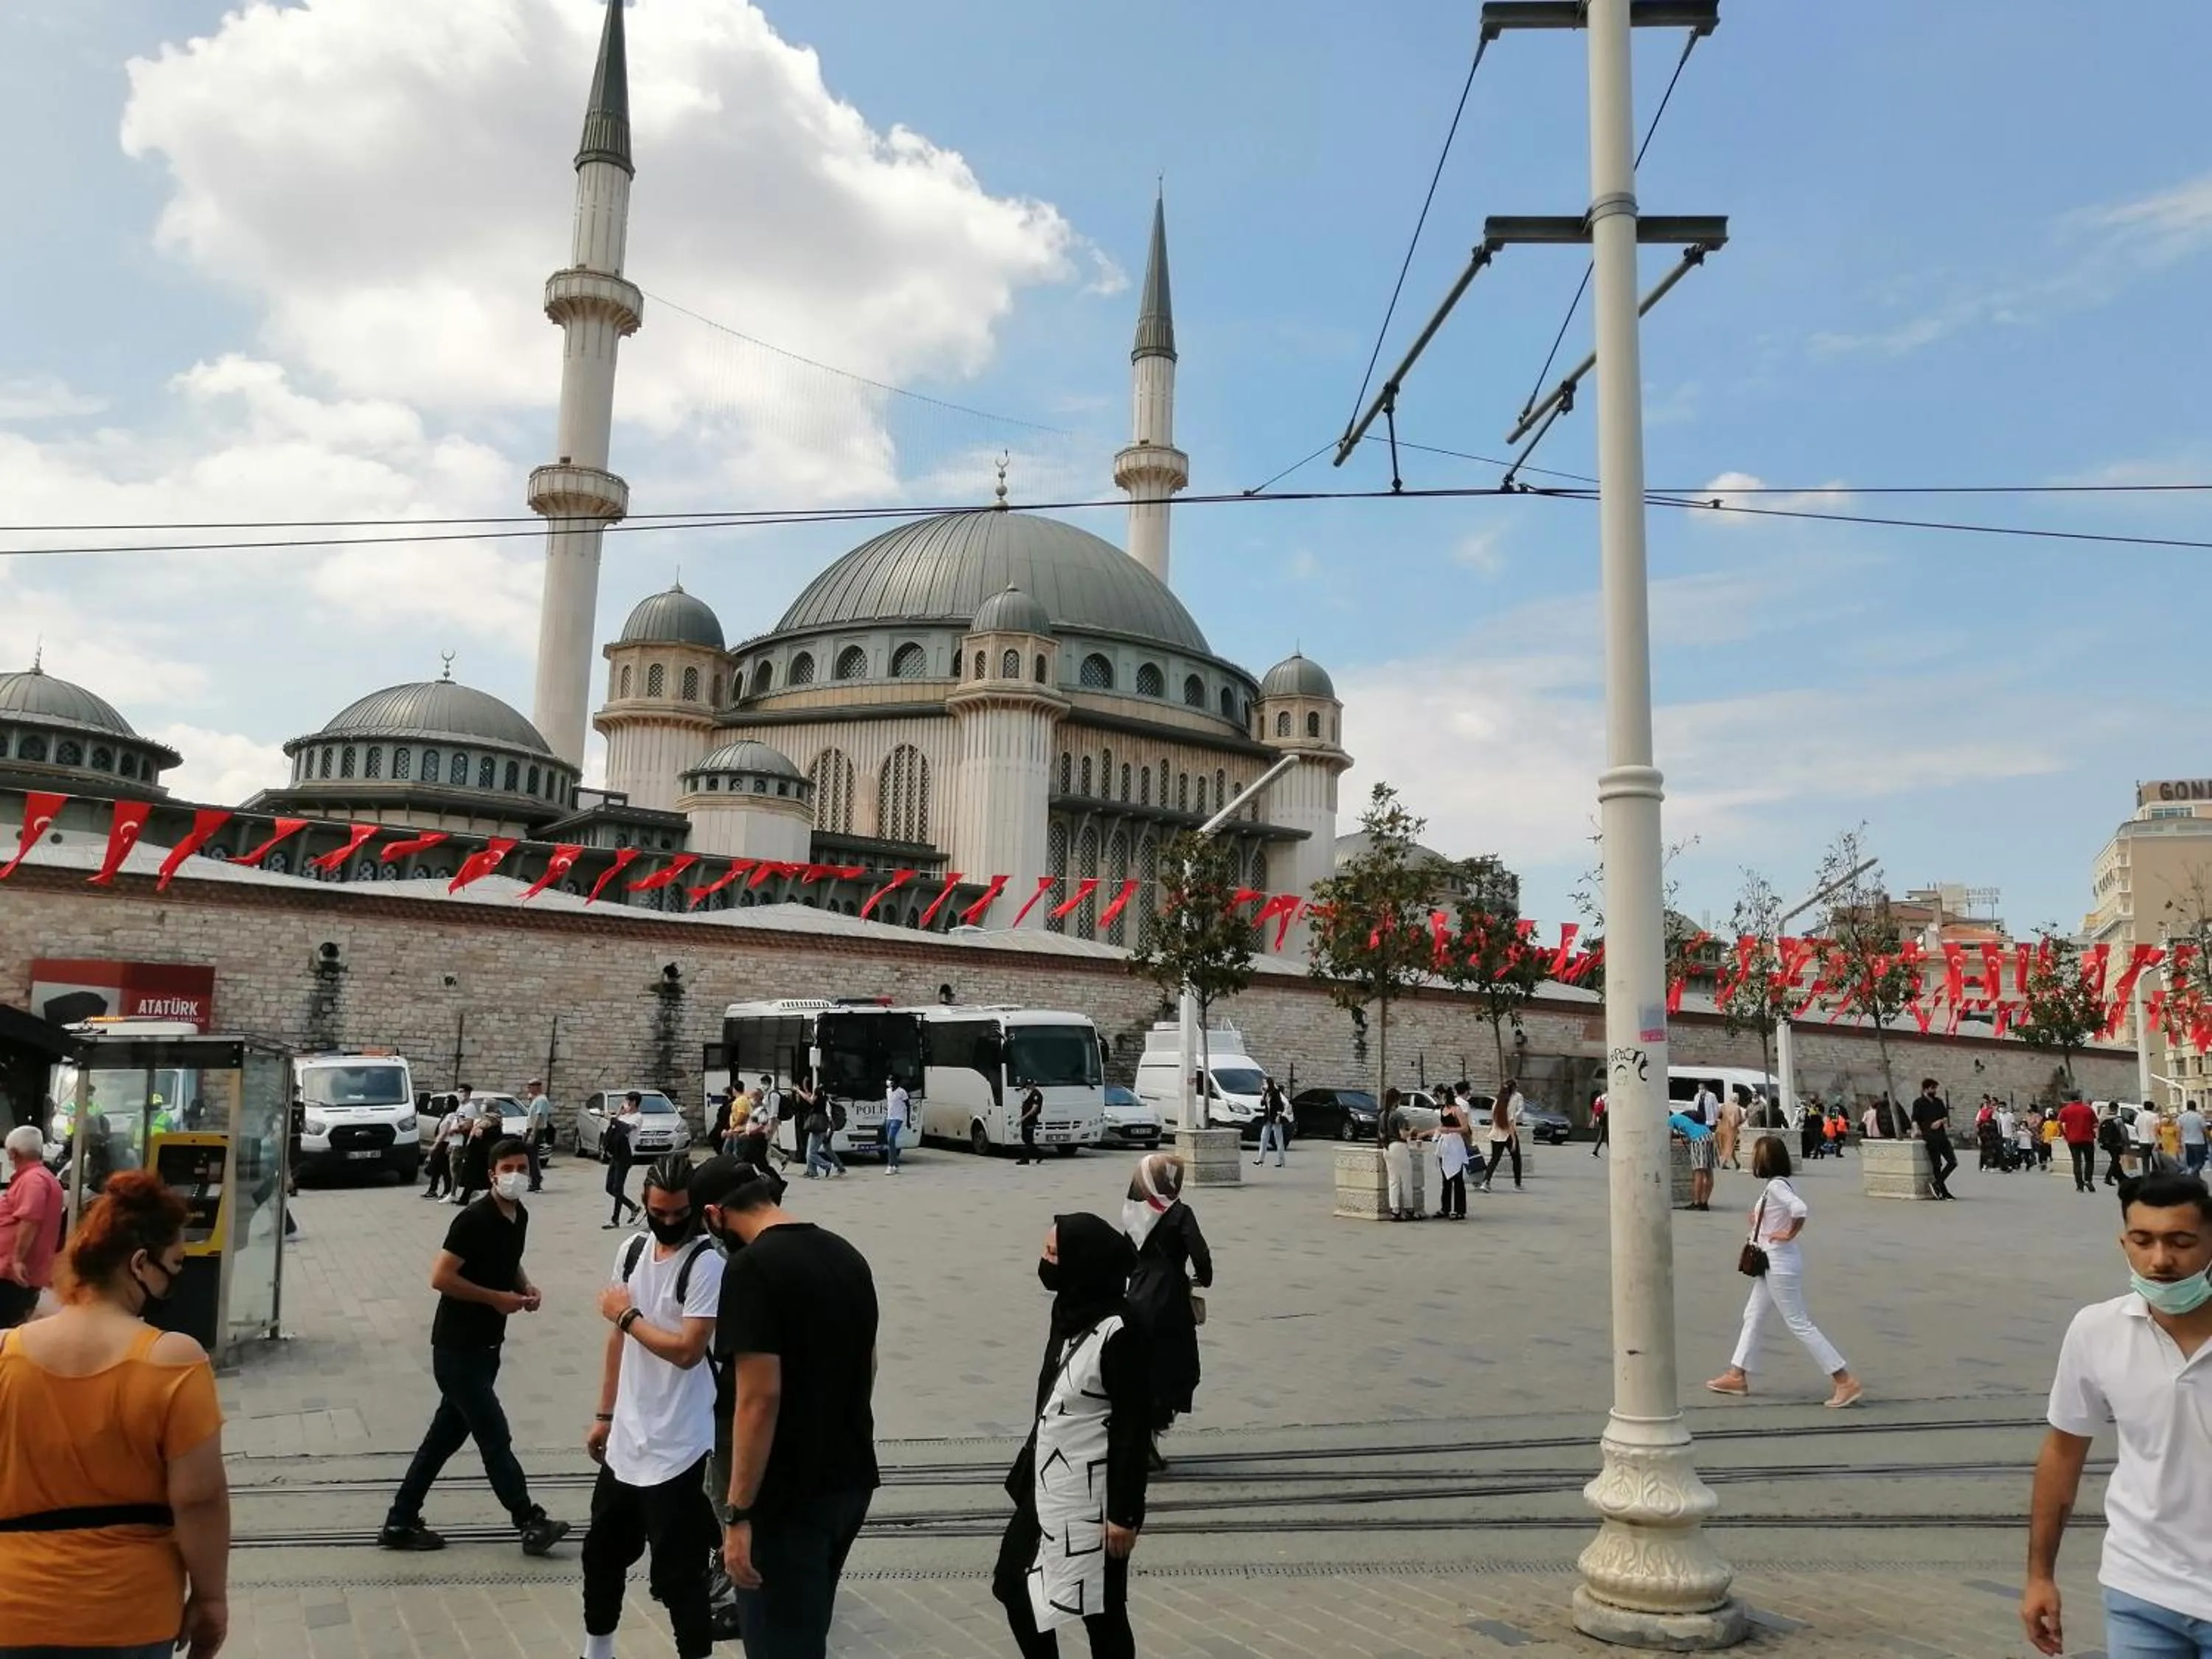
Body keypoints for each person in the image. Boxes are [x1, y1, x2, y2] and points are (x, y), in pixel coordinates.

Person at [0, 1171, 231, 1659]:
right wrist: (210, 1599)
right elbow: (199, 1498)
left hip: (13, 1609)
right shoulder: (174, 1360)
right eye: (174, 1266)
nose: (176, 1282)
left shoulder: (5, 1353)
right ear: (140, 1263)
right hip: (129, 1613)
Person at [2021, 1171, 2212, 1658]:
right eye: (2142, 1241)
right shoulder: (2096, 1329)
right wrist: (2040, 1576)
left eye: (2181, 1242)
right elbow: (2063, 1453)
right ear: (2123, 1242)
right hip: (2140, 1593)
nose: (2160, 1260)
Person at [714, 1152, 880, 1659]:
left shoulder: (750, 1269)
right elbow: (869, 1365)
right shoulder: (845, 1253)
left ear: (714, 1216)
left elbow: (758, 1398)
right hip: (848, 1479)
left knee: (779, 1646)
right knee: (806, 1633)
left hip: (785, 1499)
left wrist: (738, 1512)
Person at [380, 1137, 568, 1557]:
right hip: (456, 1349)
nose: (517, 1175)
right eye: (509, 1168)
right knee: (493, 1435)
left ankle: (400, 1518)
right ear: (492, 1173)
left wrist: (524, 1286)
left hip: (487, 1347)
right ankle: (529, 1520)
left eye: (524, 1167)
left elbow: (509, 1260)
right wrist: (494, 1298)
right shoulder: (473, 1219)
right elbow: (441, 1277)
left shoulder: (518, 1216)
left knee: (442, 1440)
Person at [581, 1155, 723, 1659]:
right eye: (659, 1212)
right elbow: (618, 1343)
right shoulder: (631, 1251)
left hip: (679, 1443)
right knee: (601, 1555)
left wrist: (627, 1316)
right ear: (644, 1203)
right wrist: (604, 1415)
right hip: (628, 1438)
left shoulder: (707, 1264)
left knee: (679, 1573)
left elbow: (687, 1351)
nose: (668, 1222)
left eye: (678, 1212)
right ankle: (598, 1650)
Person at [995, 1214, 1148, 1659]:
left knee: (1101, 1608)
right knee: (1014, 1585)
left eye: (1053, 1255)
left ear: (1083, 1263)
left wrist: (1124, 1513)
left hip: (1094, 1496)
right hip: (1047, 1486)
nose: (1045, 1263)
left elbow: (1133, 1428)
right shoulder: (1067, 1311)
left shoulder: (1122, 1331)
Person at [1704, 1136, 1863, 1410]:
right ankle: (1737, 1374)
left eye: (1755, 1154)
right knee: (1752, 1315)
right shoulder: (1780, 1184)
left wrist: (1789, 1233)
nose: (1752, 1158)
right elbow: (1784, 1211)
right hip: (1773, 1261)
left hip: (1778, 1262)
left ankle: (1844, 1379)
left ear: (1765, 1160)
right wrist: (1763, 1221)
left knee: (1799, 1322)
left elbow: (1800, 1209)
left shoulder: (1777, 1186)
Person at [1121, 1153, 1211, 1472]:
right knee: (1175, 1368)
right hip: (1170, 1299)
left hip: (1136, 1298)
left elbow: (1124, 1257)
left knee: (1142, 1368)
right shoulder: (1180, 1214)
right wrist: (1205, 1277)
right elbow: (1199, 1251)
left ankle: (1141, 1436)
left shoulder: (1133, 1212)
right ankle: (1153, 1433)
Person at [0, 1124, 63, 1329]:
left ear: (14, 1153)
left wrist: (17, 1259)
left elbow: (30, 1219)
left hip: (13, 1276)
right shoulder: (40, 1178)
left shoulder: (33, 1180)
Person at [603, 1093, 645, 1228]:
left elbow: (626, 1129)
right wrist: (618, 1115)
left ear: (633, 1102)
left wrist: (614, 1119)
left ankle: (615, 1220)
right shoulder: (623, 1116)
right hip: (616, 1153)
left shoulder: (637, 1117)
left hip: (626, 1155)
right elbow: (613, 1129)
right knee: (609, 1187)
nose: (625, 1103)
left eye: (627, 1101)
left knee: (618, 1187)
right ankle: (633, 1207)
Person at [1911, 1079, 1958, 1200]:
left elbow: (1945, 1117)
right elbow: (1915, 1118)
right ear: (1926, 1089)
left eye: (1935, 1088)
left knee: (1952, 1162)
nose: (1935, 1091)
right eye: (1933, 1088)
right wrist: (1916, 1130)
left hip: (1941, 1135)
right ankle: (1943, 1191)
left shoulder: (1938, 1102)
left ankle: (1937, 1184)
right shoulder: (1919, 1103)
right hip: (1929, 1136)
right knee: (1937, 1164)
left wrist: (1940, 1121)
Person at [1478, 1080, 1524, 1194]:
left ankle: (1486, 1182)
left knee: (1495, 1159)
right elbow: (1511, 1122)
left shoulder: (1497, 1102)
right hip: (1507, 1133)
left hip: (1496, 1133)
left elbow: (1492, 1118)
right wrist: (1513, 1140)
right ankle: (1517, 1184)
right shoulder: (1514, 1101)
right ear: (1513, 1089)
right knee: (1516, 1158)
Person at [1669, 1109, 1717, 1209]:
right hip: (1709, 1136)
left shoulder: (1671, 1120)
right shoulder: (1683, 1118)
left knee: (1698, 1172)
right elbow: (1691, 1131)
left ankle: (1696, 1202)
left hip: (1698, 1140)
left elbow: (1668, 1137)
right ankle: (1704, 1202)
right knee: (1708, 1172)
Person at [1432, 1099, 1470, 1221]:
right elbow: (1441, 1127)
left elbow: (1465, 1128)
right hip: (1445, 1144)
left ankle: (1460, 1210)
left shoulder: (1457, 1110)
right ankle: (1445, 1208)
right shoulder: (1443, 1109)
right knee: (1446, 1178)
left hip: (1455, 1143)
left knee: (1458, 1178)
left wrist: (1450, 1130)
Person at [1381, 1089, 1414, 1220]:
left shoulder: (1382, 1115)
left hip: (1387, 1148)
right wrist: (1412, 1130)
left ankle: (1395, 1210)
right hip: (1399, 1147)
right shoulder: (1398, 1115)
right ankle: (1409, 1208)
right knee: (1406, 1179)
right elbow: (1403, 1135)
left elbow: (1382, 1134)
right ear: (1396, 1100)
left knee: (1393, 1180)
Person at [2058, 1093, 2101, 1194]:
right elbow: (2095, 1124)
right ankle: (2088, 1180)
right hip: (2087, 1139)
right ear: (2080, 1099)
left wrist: (2065, 1134)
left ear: (2070, 1100)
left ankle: (2079, 1185)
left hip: (2073, 1139)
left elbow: (2059, 1123)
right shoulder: (2088, 1109)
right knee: (2089, 1161)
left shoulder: (2065, 1110)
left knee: (2077, 1162)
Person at [423, 1097, 463, 1201]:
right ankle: (434, 1189)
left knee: (443, 1168)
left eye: (447, 1103)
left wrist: (435, 1145)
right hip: (442, 1143)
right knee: (438, 1168)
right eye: (444, 1102)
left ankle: (446, 1191)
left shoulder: (451, 1116)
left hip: (444, 1143)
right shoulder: (445, 1115)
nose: (445, 1105)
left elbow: (444, 1132)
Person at [801, 1092, 841, 1180]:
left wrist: (797, 1090)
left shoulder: (821, 1104)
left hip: (820, 1130)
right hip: (819, 1130)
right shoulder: (821, 1103)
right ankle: (812, 1172)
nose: (812, 1097)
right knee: (812, 1151)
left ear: (816, 1096)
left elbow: (829, 1118)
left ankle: (826, 1165)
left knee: (811, 1153)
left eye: (814, 1095)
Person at [524, 1079, 554, 1192]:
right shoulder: (536, 1099)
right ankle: (534, 1179)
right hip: (531, 1129)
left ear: (537, 1087)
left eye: (530, 1086)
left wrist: (533, 1133)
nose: (528, 1089)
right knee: (529, 1156)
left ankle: (536, 1182)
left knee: (532, 1156)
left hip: (536, 1130)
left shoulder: (541, 1100)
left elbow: (539, 1117)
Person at [1253, 1078, 1288, 1169]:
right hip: (1267, 1118)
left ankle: (1281, 1161)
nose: (1263, 1085)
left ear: (1269, 1084)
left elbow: (1280, 1105)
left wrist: (1278, 1115)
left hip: (1275, 1118)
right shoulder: (1266, 1093)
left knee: (1278, 1139)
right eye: (1263, 1083)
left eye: (1265, 1083)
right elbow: (1262, 1103)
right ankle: (1260, 1159)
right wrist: (1263, 1094)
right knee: (1264, 1138)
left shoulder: (1276, 1093)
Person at [882, 1077, 908, 1174]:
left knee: (891, 1139)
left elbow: (908, 1105)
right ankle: (896, 1165)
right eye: (888, 1079)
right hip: (889, 1118)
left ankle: (890, 1165)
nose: (889, 1081)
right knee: (890, 1143)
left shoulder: (902, 1092)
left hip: (898, 1118)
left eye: (891, 1080)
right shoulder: (888, 1091)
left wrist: (908, 1120)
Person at [1016, 1084, 1044, 1166]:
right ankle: (1039, 1154)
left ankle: (1026, 1158)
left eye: (1028, 1086)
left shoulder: (1036, 1094)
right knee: (1025, 1138)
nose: (1027, 1088)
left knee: (1028, 1139)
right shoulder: (1031, 1094)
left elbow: (1034, 1108)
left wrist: (1024, 1117)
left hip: (1030, 1120)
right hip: (1027, 1120)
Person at [1716, 1088, 1743, 1172]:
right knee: (1729, 1147)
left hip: (1721, 1128)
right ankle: (1723, 1163)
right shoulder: (1737, 1108)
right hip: (1731, 1130)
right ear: (1737, 1100)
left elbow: (1718, 1115)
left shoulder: (1724, 1106)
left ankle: (1736, 1163)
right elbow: (1739, 1120)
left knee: (1725, 1146)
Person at [2182, 1099, 2209, 1176]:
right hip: (2198, 1142)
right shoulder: (2199, 1117)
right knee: (2200, 1162)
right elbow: (2205, 1130)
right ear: (2195, 1107)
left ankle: (2195, 1178)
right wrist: (2209, 1139)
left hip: (2187, 1142)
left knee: (2192, 1163)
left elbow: (2179, 1129)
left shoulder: (2182, 1117)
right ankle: (2190, 1173)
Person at [1590, 1091, 1608, 1157]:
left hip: (1600, 1118)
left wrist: (1593, 1121)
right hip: (1605, 1117)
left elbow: (1595, 1111)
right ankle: (1595, 1151)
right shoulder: (1608, 1097)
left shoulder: (1599, 1098)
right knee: (1605, 1135)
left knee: (1603, 1134)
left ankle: (1595, 1151)